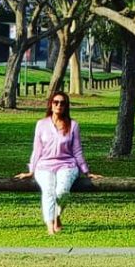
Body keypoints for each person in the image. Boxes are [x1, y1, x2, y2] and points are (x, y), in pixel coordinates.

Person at [14, 91, 100, 234]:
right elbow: (37, 150)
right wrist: (31, 170)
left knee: (61, 192)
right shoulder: (41, 124)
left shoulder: (73, 126)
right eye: (56, 102)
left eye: (62, 103)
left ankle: (58, 214)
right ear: (51, 104)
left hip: (67, 165)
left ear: (66, 106)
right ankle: (50, 227)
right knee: (48, 191)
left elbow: (77, 151)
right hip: (44, 166)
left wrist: (87, 171)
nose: (59, 105)